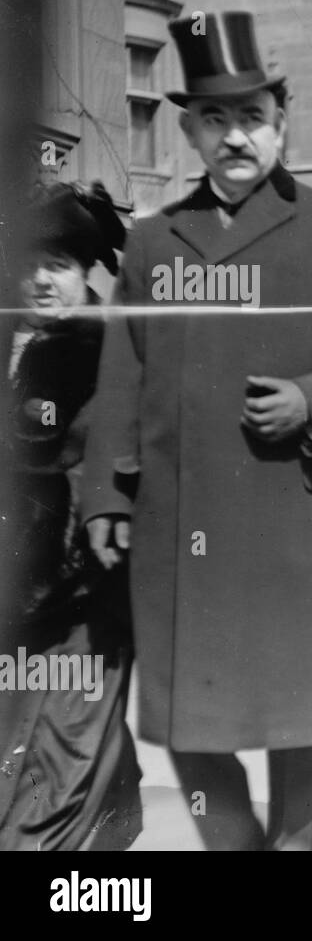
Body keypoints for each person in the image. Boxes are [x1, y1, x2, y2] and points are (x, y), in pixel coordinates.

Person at [80, 13, 312, 850]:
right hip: (180, 522)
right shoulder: (153, 243)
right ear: (191, 128)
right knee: (193, 726)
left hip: (299, 517)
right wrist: (103, 497)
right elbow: (120, 374)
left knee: (306, 719)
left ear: (282, 121)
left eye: (253, 117)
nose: (237, 136)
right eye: (217, 120)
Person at [0, 181, 142, 850]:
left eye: (57, 264)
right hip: (20, 581)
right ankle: (112, 822)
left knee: (59, 738)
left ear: (87, 269)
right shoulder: (13, 336)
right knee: (48, 730)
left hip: (85, 582)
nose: (39, 278)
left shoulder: (107, 346)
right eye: (30, 262)